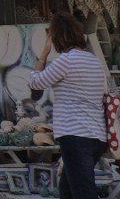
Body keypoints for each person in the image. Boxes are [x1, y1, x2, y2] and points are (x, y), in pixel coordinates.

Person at [29, 11, 107, 199]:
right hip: (97, 135)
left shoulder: (66, 61)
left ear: (57, 38)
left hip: (75, 136)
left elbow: (35, 83)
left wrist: (44, 54)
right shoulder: (93, 61)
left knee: (82, 192)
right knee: (68, 190)